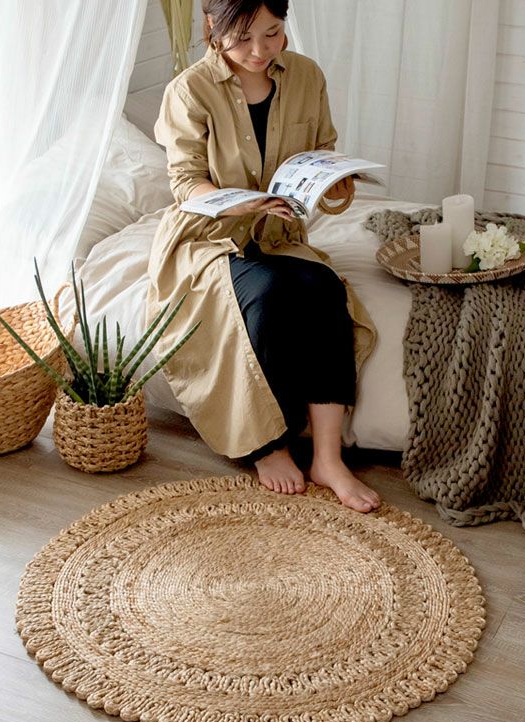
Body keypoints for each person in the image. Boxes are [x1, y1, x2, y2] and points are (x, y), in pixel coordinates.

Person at [149, 0, 381, 512]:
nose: (260, 50)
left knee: (323, 288)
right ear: (214, 27)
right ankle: (268, 446)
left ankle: (327, 459)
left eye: (273, 33)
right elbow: (186, 182)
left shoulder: (306, 76)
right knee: (268, 294)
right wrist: (242, 202)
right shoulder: (189, 90)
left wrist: (334, 180)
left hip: (278, 233)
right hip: (210, 237)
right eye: (243, 37)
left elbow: (321, 151)